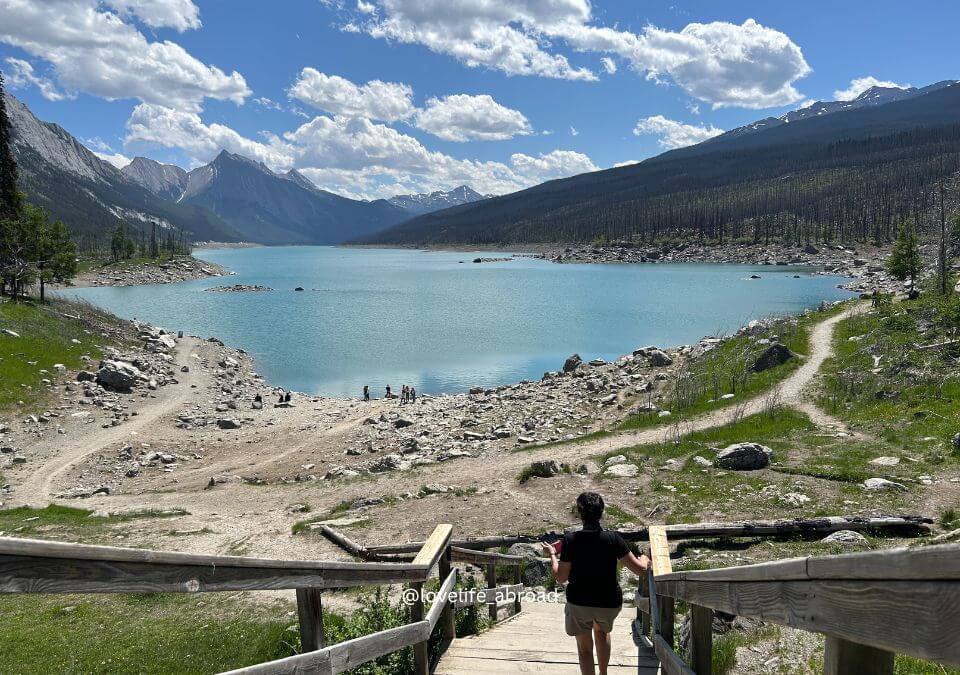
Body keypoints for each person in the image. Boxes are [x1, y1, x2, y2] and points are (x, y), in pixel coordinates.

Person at [543, 492, 650, 675]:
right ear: (602, 512)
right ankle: (603, 673)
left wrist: (553, 554)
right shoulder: (613, 538)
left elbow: (560, 577)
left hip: (579, 601)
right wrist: (645, 559)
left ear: (579, 513)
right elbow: (640, 570)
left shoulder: (571, 540)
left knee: (584, 649)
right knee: (602, 633)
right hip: (608, 602)